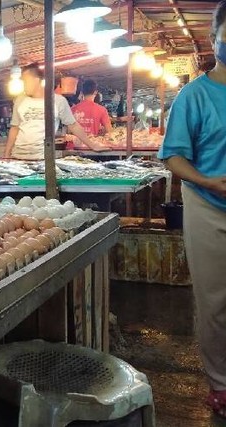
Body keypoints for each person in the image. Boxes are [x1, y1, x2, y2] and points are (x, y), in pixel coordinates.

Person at [158, 0, 226, 418]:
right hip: (209, 206)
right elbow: (174, 156)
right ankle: (221, 383)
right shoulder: (195, 96)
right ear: (215, 37)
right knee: (216, 299)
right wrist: (205, 181)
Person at [4, 63, 107, 160]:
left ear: (35, 80)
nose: (24, 85)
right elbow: (15, 128)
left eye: (25, 81)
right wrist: (6, 155)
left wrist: (92, 145)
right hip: (17, 156)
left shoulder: (58, 101)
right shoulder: (20, 100)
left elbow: (73, 125)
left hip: (43, 158)